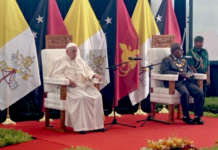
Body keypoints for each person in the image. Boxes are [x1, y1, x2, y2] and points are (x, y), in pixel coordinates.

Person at [49, 42, 105, 134]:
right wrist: (67, 80)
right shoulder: (59, 60)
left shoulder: (80, 60)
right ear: (67, 51)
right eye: (73, 52)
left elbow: (88, 72)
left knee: (97, 96)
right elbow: (55, 76)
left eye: (76, 51)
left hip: (84, 85)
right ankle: (81, 127)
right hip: (70, 88)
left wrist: (95, 75)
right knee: (82, 97)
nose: (75, 53)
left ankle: (96, 126)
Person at [160, 43, 204, 125]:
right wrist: (178, 74)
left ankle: (197, 116)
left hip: (186, 81)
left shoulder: (183, 60)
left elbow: (189, 70)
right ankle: (186, 116)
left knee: (199, 92)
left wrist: (189, 74)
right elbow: (163, 71)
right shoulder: (166, 60)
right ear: (174, 51)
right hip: (174, 82)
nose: (182, 51)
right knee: (185, 93)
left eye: (182, 50)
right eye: (180, 50)